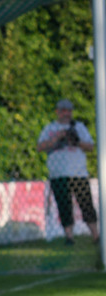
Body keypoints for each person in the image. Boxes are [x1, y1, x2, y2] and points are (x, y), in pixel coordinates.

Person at [37, 98, 100, 245]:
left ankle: (96, 235)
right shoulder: (50, 128)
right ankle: (69, 237)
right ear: (57, 112)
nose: (66, 113)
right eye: (63, 110)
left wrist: (76, 141)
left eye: (69, 111)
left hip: (78, 173)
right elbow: (40, 147)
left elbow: (90, 146)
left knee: (86, 204)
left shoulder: (79, 126)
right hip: (58, 174)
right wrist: (57, 138)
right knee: (64, 205)